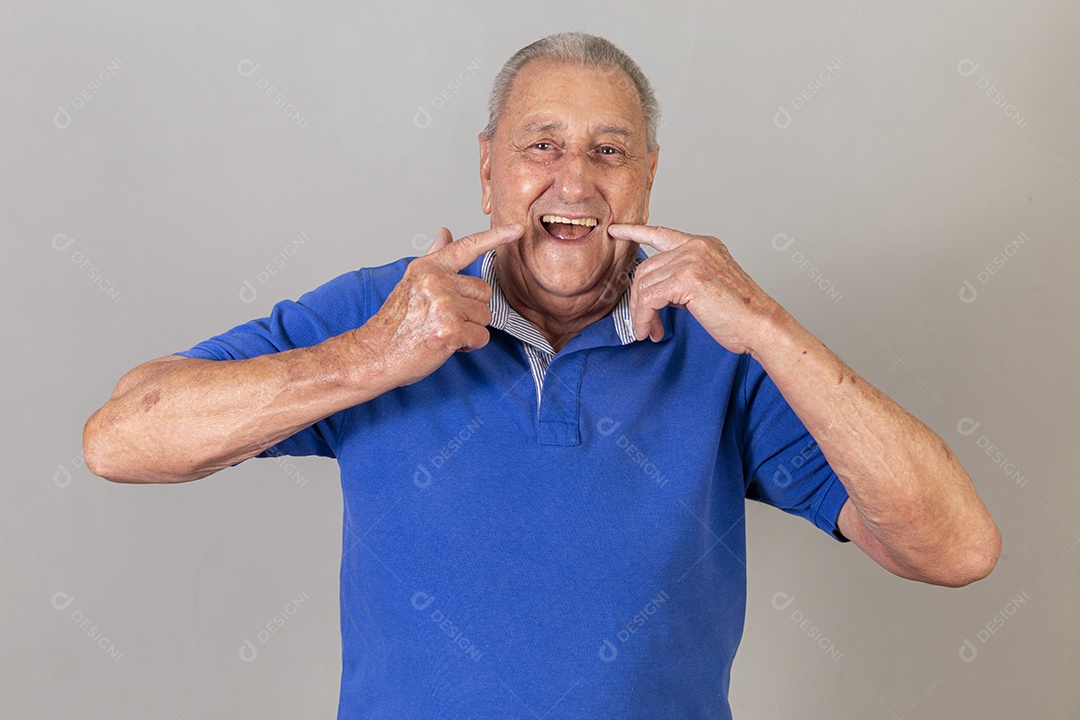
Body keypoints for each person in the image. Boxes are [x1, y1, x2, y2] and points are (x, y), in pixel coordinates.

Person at [84, 32, 1000, 719]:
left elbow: (955, 550)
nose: (574, 180)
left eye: (609, 151)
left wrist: (769, 326)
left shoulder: (724, 344)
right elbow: (121, 439)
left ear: (647, 178)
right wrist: (371, 357)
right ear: (487, 169)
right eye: (542, 146)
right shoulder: (393, 308)